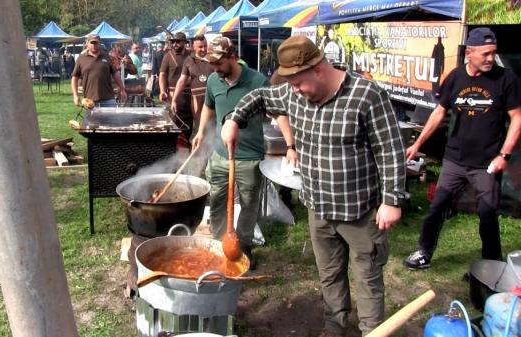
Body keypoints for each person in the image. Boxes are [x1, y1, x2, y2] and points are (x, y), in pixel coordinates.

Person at [220, 35, 406, 336]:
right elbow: (260, 97)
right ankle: (335, 328)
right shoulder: (295, 95)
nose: (293, 91)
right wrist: (234, 119)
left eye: (297, 83)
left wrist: (392, 200)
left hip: (360, 212)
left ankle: (373, 332)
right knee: (330, 275)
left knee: (367, 279)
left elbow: (390, 149)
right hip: (318, 208)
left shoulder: (366, 95)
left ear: (318, 69)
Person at [403, 27, 521, 270]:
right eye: (485, 54)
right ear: (469, 52)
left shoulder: (506, 79)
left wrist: (504, 155)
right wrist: (417, 144)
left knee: (487, 216)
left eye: (493, 53)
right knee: (436, 209)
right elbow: (439, 112)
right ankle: (424, 253)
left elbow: (517, 118)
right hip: (455, 160)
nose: (490, 59)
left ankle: (491, 266)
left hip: (487, 164)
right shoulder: (456, 77)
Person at [191, 36, 272, 270]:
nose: (214, 69)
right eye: (211, 64)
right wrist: (200, 132)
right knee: (216, 200)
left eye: (218, 63)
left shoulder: (258, 81)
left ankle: (243, 246)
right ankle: (220, 244)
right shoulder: (214, 81)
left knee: (248, 205)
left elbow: (276, 111)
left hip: (249, 157)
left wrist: (289, 144)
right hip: (219, 155)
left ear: (233, 57)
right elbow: (208, 106)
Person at [171, 34, 213, 136]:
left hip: (213, 99)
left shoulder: (213, 59)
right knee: (200, 128)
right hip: (197, 101)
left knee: (213, 128)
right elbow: (181, 81)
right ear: (193, 47)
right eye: (200, 47)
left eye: (205, 46)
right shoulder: (189, 61)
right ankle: (202, 148)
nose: (203, 49)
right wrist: (174, 100)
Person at [71, 34, 127, 107]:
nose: (94, 45)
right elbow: (74, 77)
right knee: (92, 119)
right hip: (90, 100)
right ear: (87, 43)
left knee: (111, 118)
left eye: (96, 43)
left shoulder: (107, 57)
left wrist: (122, 90)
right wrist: (75, 96)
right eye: (92, 43)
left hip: (108, 99)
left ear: (99, 43)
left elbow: (115, 74)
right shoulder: (81, 59)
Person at [159, 32, 192, 147]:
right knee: (174, 126)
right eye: (173, 42)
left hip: (190, 96)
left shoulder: (191, 55)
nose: (175, 44)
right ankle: (172, 152)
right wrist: (163, 90)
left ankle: (188, 151)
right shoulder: (168, 56)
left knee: (189, 126)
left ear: (184, 43)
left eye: (178, 41)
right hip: (174, 96)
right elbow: (162, 75)